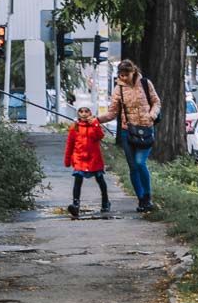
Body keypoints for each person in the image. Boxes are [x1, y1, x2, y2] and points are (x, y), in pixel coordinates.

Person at [98, 60, 161, 212]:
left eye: (126, 75)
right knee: (133, 167)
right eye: (121, 75)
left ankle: (147, 196)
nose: (124, 78)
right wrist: (96, 120)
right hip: (128, 132)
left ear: (133, 72)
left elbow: (156, 102)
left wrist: (151, 116)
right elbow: (113, 112)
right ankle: (141, 200)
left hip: (146, 130)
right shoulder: (118, 89)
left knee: (140, 163)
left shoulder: (145, 83)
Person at [64, 106, 111, 217]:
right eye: (81, 111)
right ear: (78, 113)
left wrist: (94, 123)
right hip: (79, 158)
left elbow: (100, 136)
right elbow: (69, 145)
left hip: (94, 158)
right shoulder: (74, 127)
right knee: (78, 180)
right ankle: (76, 204)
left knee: (100, 180)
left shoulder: (95, 125)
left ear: (90, 113)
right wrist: (67, 159)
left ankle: (105, 201)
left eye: (86, 111)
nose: (84, 114)